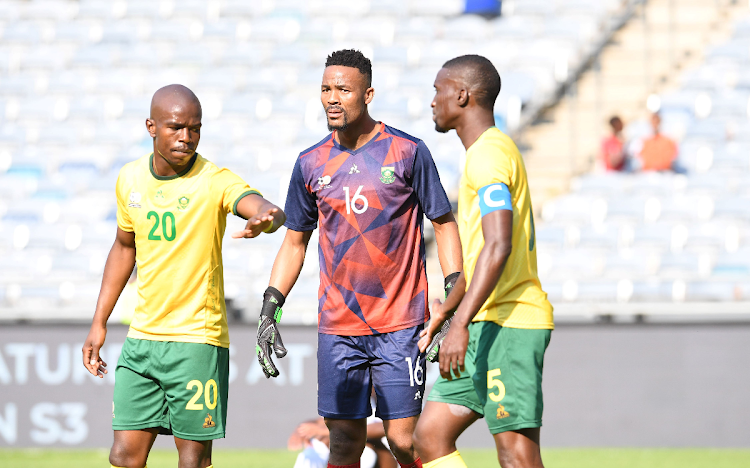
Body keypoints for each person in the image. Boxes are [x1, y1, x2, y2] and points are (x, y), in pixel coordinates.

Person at [256, 49, 463, 468]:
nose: (332, 98)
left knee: (405, 441)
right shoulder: (309, 163)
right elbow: (295, 242)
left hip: (400, 323)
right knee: (344, 443)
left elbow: (443, 224)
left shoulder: (408, 151)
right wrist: (269, 307)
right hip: (339, 327)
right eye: (326, 89)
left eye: (343, 90)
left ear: (367, 94)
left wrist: (452, 298)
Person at [81, 84, 285, 468]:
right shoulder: (129, 179)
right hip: (142, 340)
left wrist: (268, 217)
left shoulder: (213, 180)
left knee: (193, 461)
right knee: (123, 457)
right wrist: (99, 322)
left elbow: (260, 205)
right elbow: (125, 248)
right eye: (176, 127)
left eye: (195, 128)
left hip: (197, 341)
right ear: (151, 126)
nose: (186, 137)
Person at [413, 55, 554, 468]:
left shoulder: (490, 155)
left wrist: (458, 324)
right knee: (430, 437)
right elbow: (479, 260)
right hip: (480, 325)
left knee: (516, 455)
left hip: (510, 324)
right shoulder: (480, 154)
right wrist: (447, 314)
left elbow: (499, 245)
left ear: (462, 94)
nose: (433, 101)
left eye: (438, 90)